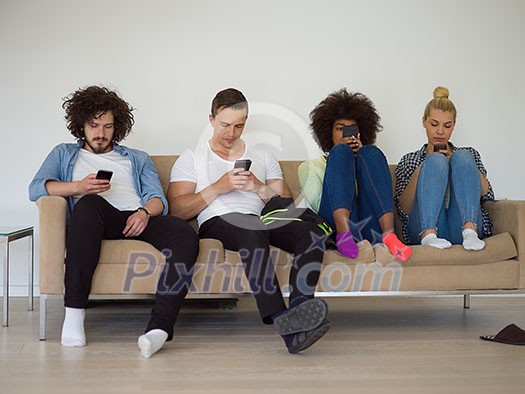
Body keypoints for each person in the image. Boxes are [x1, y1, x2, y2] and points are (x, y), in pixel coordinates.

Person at [29, 86, 199, 358]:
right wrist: (78, 187)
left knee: (184, 234)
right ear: (81, 124)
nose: (100, 133)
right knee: (89, 204)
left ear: (116, 127)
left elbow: (158, 199)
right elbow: (36, 188)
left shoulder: (137, 158)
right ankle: (73, 315)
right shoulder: (62, 153)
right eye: (94, 125)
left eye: (108, 126)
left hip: (136, 217)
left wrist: (144, 212)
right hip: (96, 217)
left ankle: (160, 329)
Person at [168, 88, 331, 354]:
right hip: (219, 221)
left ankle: (301, 308)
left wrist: (258, 186)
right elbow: (177, 209)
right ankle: (283, 320)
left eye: (238, 126)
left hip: (260, 218)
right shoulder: (192, 158)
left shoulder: (263, 155)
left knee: (311, 233)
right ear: (211, 119)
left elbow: (285, 202)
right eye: (224, 125)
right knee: (251, 231)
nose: (231, 133)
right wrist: (219, 187)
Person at [298, 88, 412, 262]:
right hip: (334, 225)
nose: (345, 134)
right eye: (339, 128)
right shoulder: (309, 167)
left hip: (370, 227)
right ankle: (344, 234)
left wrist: (359, 162)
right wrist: (342, 159)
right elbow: (317, 204)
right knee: (341, 153)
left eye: (351, 129)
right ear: (328, 131)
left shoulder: (366, 159)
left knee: (371, 153)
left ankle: (389, 236)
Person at [394, 86, 494, 249]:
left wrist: (461, 162)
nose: (440, 131)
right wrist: (426, 166)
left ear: (454, 126)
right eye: (434, 124)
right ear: (424, 122)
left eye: (447, 126)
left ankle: (470, 231)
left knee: (462, 156)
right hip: (423, 228)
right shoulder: (410, 160)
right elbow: (403, 208)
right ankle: (429, 234)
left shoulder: (469, 155)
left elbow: (487, 194)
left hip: (461, 227)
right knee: (435, 161)